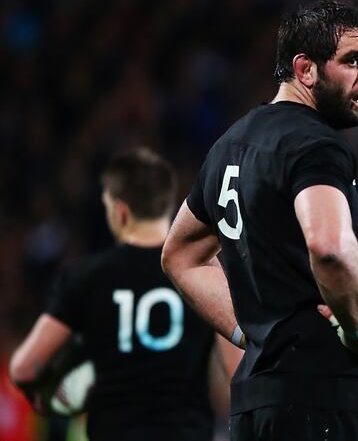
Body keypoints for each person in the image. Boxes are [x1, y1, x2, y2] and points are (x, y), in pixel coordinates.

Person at [160, 0, 358, 441]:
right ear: (305, 69)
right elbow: (328, 247)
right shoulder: (315, 145)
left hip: (255, 401)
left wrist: (253, 332)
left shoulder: (229, 144)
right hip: (325, 396)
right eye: (354, 62)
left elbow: (180, 256)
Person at [9, 147, 241, 441]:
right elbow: (238, 372)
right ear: (167, 204)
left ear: (120, 210)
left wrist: (44, 397)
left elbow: (24, 369)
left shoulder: (85, 278)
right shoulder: (198, 272)